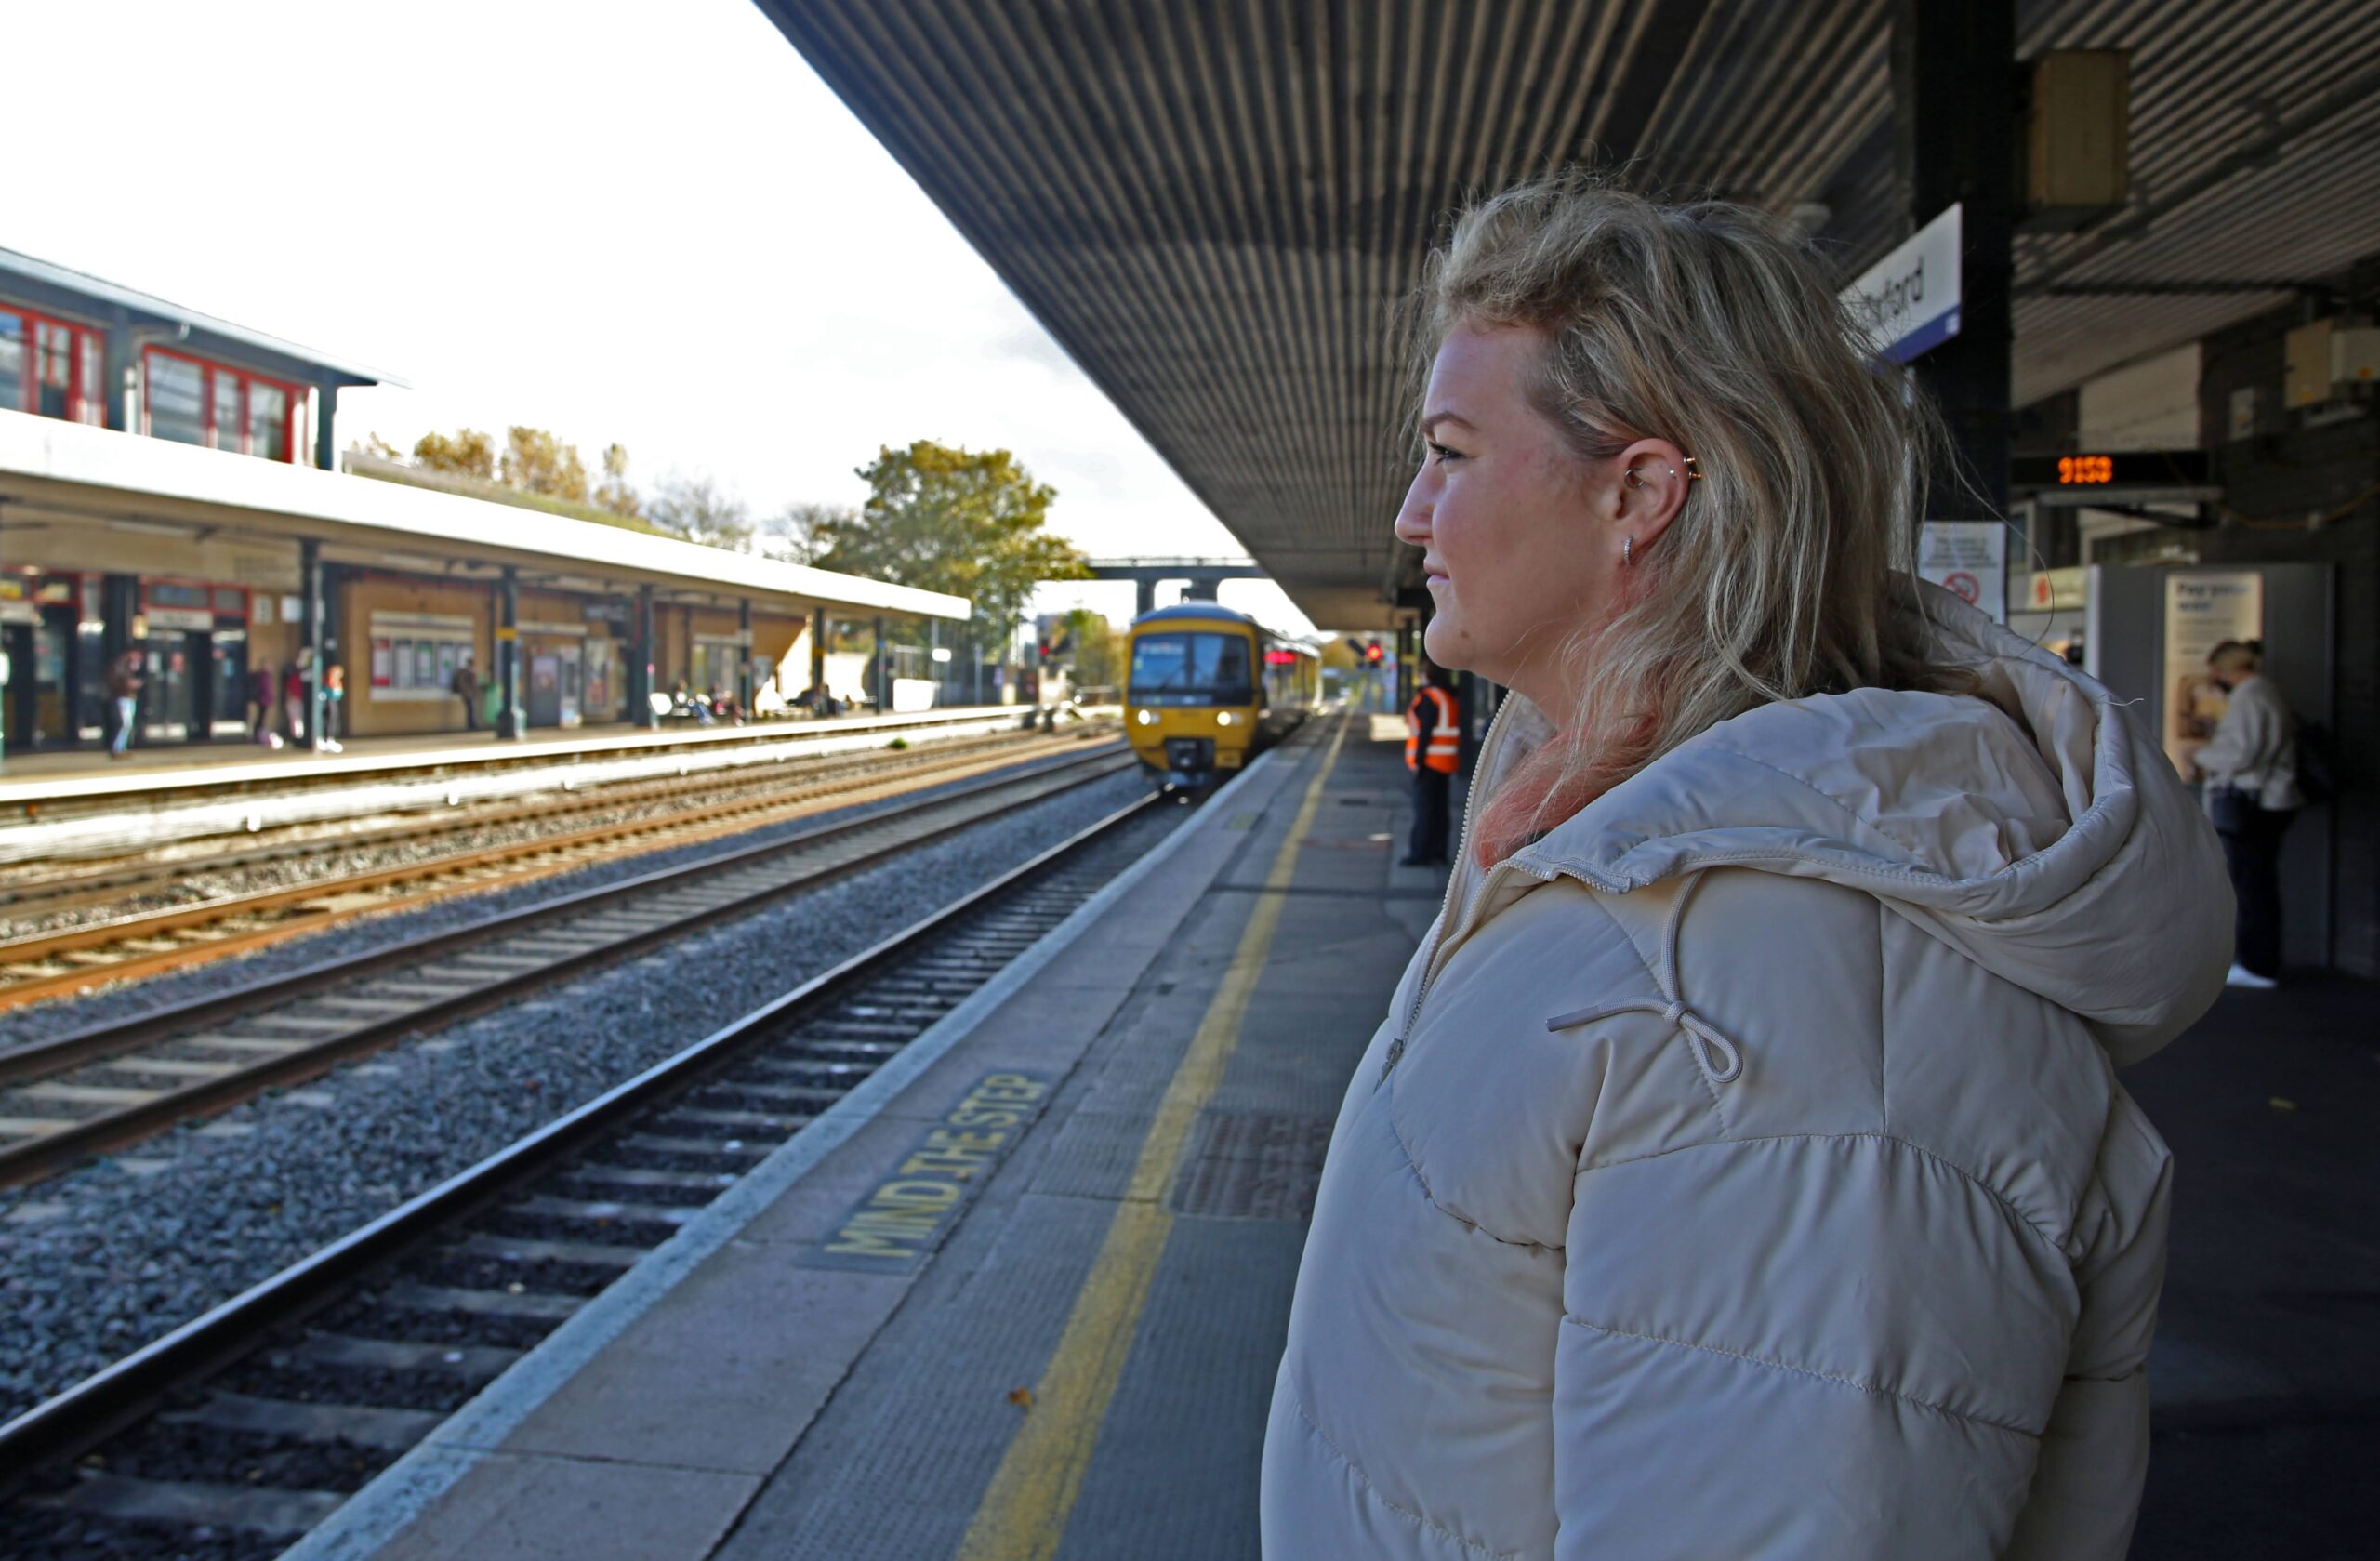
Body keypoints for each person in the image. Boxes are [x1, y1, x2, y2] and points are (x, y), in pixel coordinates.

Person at [1262, 175, 2232, 1561]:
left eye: (1453, 452)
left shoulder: (1818, 1009)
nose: (1413, 514)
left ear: (1639, 495)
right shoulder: (1613, 854)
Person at [2190, 639, 2301, 988]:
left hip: (2254, 805)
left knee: (2253, 885)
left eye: (2218, 672)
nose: (2216, 679)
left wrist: (2200, 756)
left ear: (2230, 669)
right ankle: (2259, 961)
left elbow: (2241, 753)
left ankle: (2259, 964)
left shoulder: (2252, 698)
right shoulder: (2261, 694)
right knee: (2256, 883)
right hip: (2264, 803)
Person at [1400, 659, 1459, 865]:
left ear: (1428, 676)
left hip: (1429, 761)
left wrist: (1418, 760)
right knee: (1440, 809)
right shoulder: (1447, 696)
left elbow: (1425, 733)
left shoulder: (1429, 698)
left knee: (1424, 808)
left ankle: (1420, 853)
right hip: (1445, 761)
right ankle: (1438, 851)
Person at [107, 650, 143, 760]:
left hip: (129, 698)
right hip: (122, 698)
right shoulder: (119, 668)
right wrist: (129, 684)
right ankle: (117, 748)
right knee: (125, 724)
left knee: (128, 725)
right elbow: (116, 682)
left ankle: (122, 748)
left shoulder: (127, 669)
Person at [452, 655, 482, 733]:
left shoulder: (471, 671)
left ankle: (472, 724)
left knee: (471, 709)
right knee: (470, 709)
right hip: (467, 694)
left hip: (470, 694)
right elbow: (463, 683)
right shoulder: (466, 672)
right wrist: (467, 691)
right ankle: (471, 724)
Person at [321, 661, 346, 753]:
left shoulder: (337, 682)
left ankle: (330, 738)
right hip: (328, 702)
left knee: (334, 719)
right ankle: (327, 738)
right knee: (329, 719)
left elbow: (339, 693)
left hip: (334, 701)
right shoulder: (327, 681)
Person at [282, 658, 308, 743]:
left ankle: (297, 737)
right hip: (297, 700)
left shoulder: (295, 678)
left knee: (295, 720)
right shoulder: (299, 678)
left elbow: (288, 691)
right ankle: (298, 736)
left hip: (294, 700)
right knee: (297, 720)